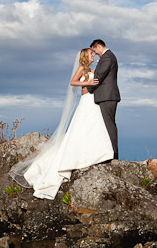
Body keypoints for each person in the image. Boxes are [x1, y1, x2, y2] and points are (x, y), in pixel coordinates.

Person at [9, 48, 114, 199]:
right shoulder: (82, 68)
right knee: (80, 129)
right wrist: (88, 82)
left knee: (93, 128)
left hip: (93, 101)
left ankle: (96, 154)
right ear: (86, 56)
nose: (93, 55)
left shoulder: (91, 69)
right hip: (86, 101)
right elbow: (72, 82)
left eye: (93, 53)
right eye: (91, 54)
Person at [87, 39, 120, 160]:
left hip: (107, 96)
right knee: (105, 126)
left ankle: (113, 155)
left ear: (99, 46)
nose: (94, 53)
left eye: (94, 50)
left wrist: (88, 89)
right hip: (105, 96)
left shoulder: (107, 57)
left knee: (109, 126)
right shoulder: (108, 56)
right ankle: (107, 153)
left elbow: (100, 76)